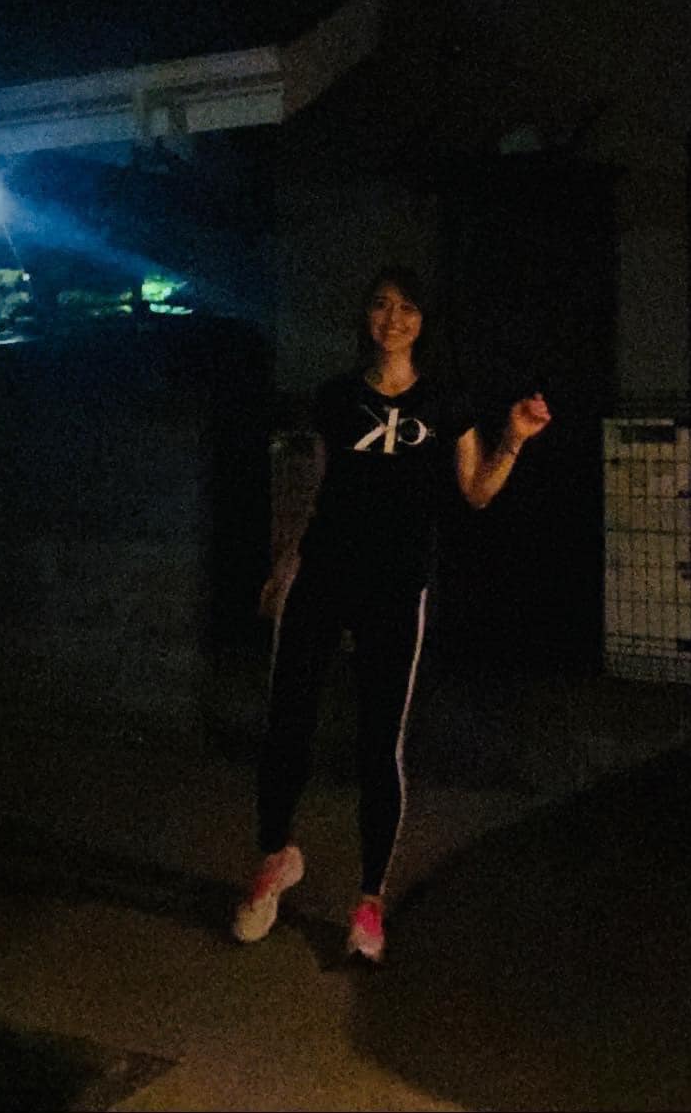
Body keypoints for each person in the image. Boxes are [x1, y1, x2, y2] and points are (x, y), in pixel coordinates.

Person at [233, 265, 551, 962]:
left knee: (380, 743)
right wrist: (285, 563)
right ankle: (274, 859)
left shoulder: (445, 401)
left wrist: (514, 439)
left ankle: (369, 902)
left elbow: (476, 491)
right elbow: (313, 485)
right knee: (286, 722)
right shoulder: (335, 397)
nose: (393, 319)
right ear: (365, 316)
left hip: (395, 585)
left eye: (407, 307)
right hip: (323, 574)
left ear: (423, 320)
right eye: (380, 305)